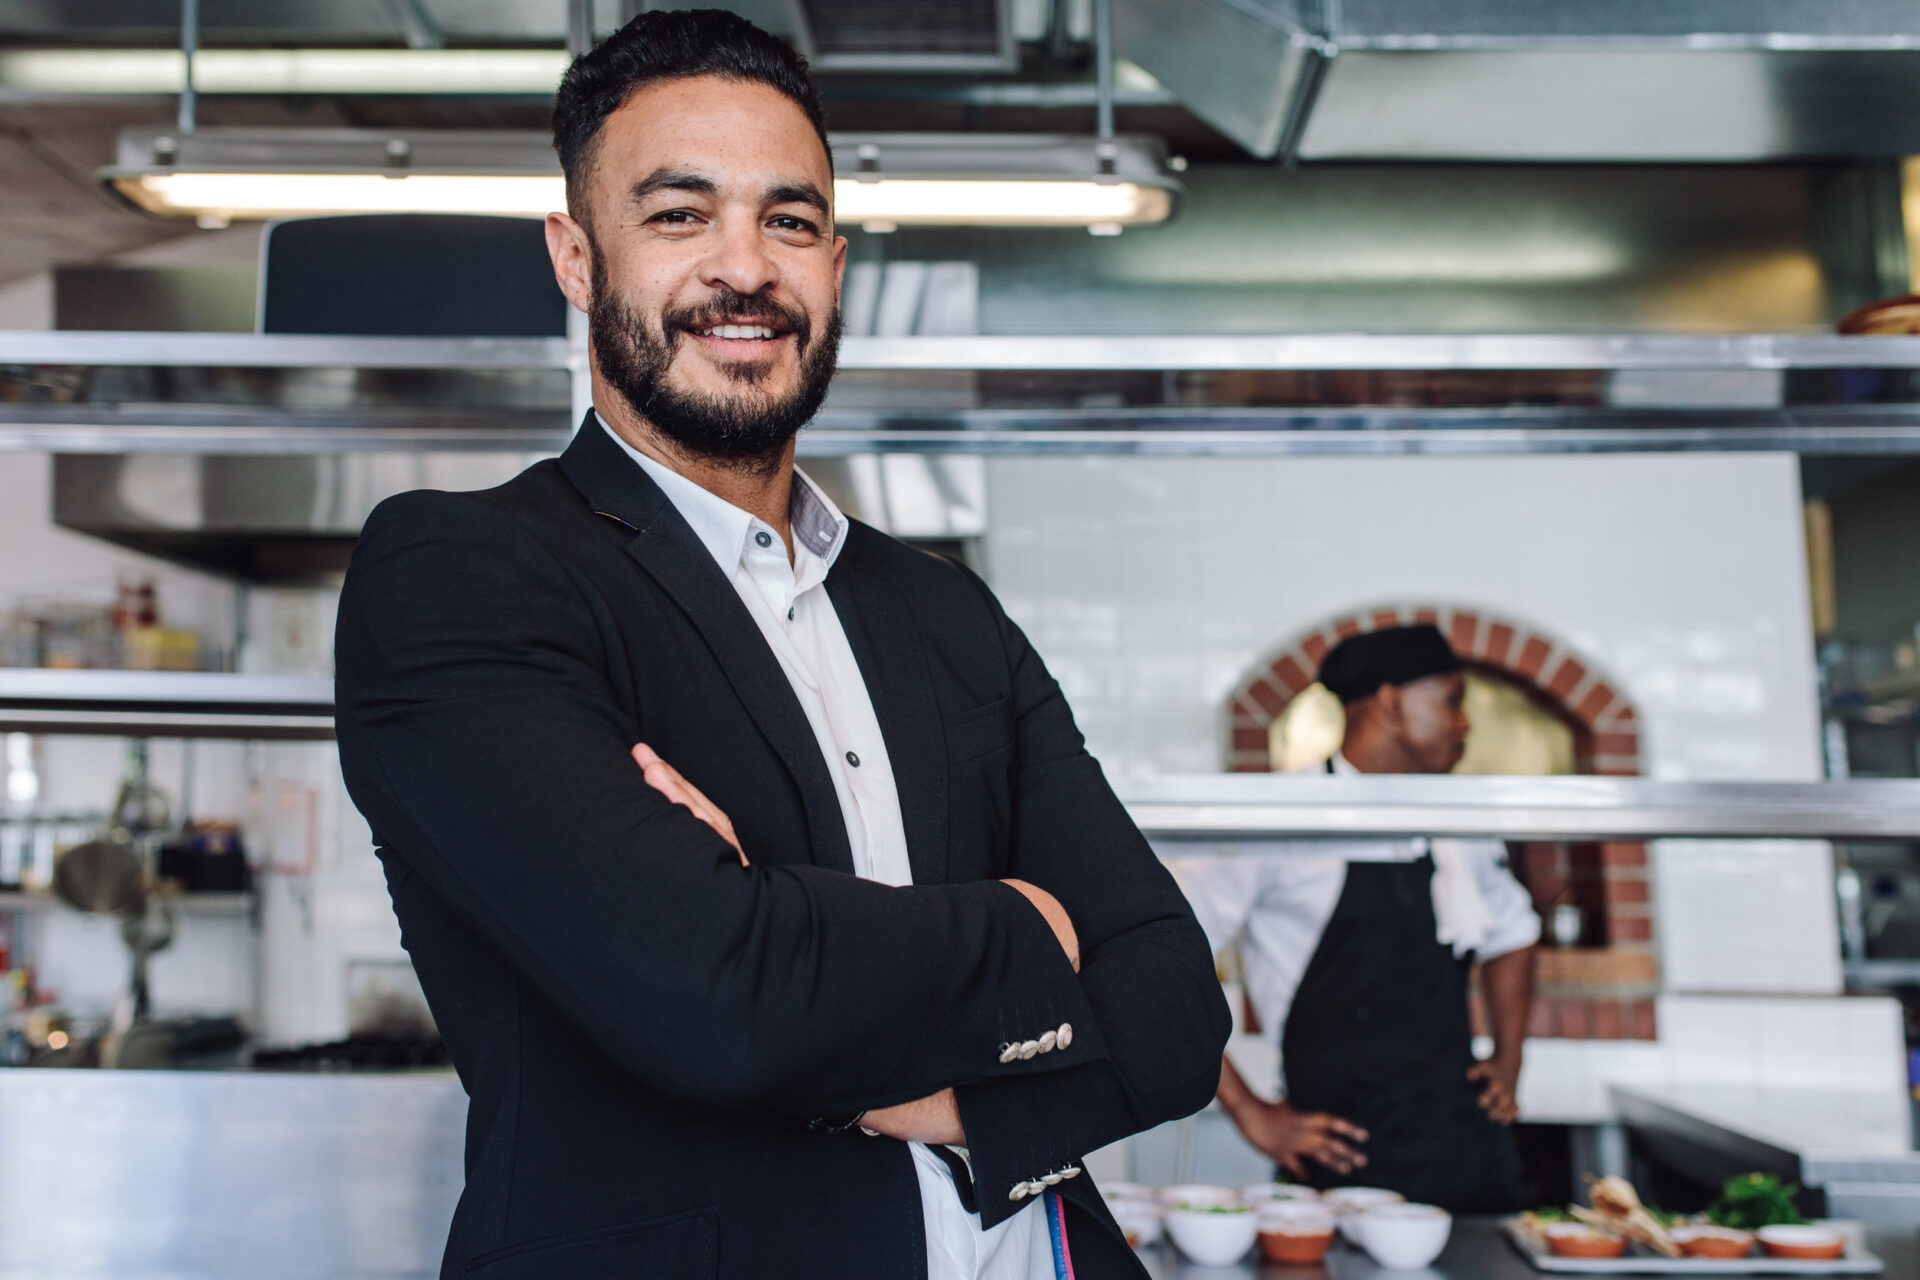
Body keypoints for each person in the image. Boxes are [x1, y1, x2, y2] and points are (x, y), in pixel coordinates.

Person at [331, 11, 1227, 1279]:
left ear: (837, 263)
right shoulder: (467, 573)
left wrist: (878, 1060)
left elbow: (1180, 1007)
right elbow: (718, 995)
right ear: (577, 257)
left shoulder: (944, 610)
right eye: (680, 215)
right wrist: (1036, 926)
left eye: (789, 221)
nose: (743, 269)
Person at [1173, 624, 1540, 1213]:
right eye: (1452, 701)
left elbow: (1515, 934)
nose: (1465, 723)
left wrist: (1510, 1057)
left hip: (1466, 1148)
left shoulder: (1456, 817)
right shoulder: (1279, 816)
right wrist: (1252, 1113)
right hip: (1340, 1159)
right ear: (1391, 702)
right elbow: (1155, 960)